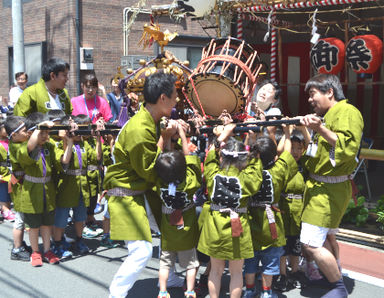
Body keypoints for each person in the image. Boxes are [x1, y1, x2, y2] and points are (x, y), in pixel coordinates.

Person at [104, 72, 178, 298]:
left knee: (170, 229)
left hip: (140, 191)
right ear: (163, 98)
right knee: (141, 250)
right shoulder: (139, 128)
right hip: (126, 194)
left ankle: (170, 275)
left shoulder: (149, 120)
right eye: (175, 96)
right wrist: (166, 139)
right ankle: (116, 293)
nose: (178, 100)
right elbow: (149, 169)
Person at [299, 73, 364, 297]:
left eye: (313, 94)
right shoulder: (327, 116)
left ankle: (338, 286)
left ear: (329, 92)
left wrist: (320, 129)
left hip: (329, 189)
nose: (310, 100)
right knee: (327, 237)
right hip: (322, 187)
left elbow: (348, 148)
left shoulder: (348, 112)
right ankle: (331, 277)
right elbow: (315, 154)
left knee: (310, 243)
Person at [197, 124, 263, 298]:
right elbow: (256, 171)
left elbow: (209, 159)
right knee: (235, 272)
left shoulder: (213, 175)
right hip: (238, 225)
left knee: (215, 271)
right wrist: (254, 142)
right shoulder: (246, 178)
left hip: (215, 224)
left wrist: (221, 138)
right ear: (243, 159)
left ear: (222, 157)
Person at [243, 125, 297, 298]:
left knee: (250, 261)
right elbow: (287, 154)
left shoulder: (249, 170)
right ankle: (267, 293)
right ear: (275, 156)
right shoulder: (279, 170)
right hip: (272, 220)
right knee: (270, 262)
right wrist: (288, 133)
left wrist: (252, 139)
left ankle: (250, 290)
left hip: (251, 220)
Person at [9, 112, 63, 266]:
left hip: (48, 189)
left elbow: (60, 161)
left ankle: (47, 250)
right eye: (42, 133)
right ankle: (35, 252)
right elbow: (28, 149)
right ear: (32, 132)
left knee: (47, 224)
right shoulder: (21, 147)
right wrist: (40, 127)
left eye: (47, 133)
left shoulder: (49, 145)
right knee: (33, 226)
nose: (46, 136)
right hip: (31, 191)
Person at [155, 122, 201, 298]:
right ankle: (189, 291)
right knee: (191, 263)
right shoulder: (189, 183)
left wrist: (165, 137)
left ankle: (163, 291)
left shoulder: (160, 183)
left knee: (165, 263)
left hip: (168, 232)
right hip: (186, 233)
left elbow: (158, 163)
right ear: (184, 169)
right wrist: (182, 136)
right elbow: (191, 161)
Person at [52, 116, 103, 258]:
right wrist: (68, 142)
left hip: (82, 186)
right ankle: (57, 243)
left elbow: (97, 158)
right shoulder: (57, 144)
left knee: (80, 216)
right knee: (61, 218)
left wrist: (98, 138)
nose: (77, 132)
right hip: (66, 186)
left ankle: (79, 240)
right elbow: (64, 162)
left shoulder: (84, 144)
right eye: (73, 129)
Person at [274, 128, 308, 291]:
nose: (295, 151)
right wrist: (287, 132)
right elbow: (280, 149)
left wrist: (303, 129)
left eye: (298, 148)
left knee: (295, 245)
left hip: (298, 211)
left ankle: (294, 272)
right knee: (283, 245)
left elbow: (309, 145)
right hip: (283, 210)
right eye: (292, 147)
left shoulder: (305, 165)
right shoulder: (281, 164)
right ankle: (282, 275)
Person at [0, 118, 15, 221]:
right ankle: (4, 209)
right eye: (5, 128)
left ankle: (6, 209)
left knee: (9, 193)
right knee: (3, 192)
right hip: (2, 172)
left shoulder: (11, 141)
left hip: (10, 171)